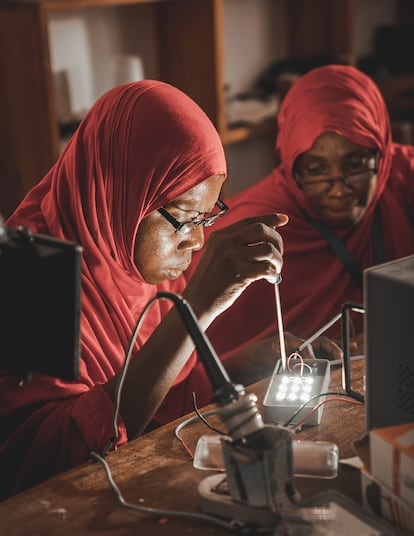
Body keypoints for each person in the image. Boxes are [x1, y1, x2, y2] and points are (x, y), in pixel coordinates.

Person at [0, 80, 288, 499]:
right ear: (118, 193)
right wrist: (196, 308)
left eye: (206, 218)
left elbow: (158, 385)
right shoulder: (27, 276)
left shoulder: (138, 250)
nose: (197, 240)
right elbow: (49, 464)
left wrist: (241, 363)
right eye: (186, 218)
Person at [188, 64, 414, 361]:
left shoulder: (403, 181)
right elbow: (200, 371)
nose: (338, 190)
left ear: (381, 155)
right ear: (291, 164)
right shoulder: (251, 232)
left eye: (356, 164)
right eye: (317, 170)